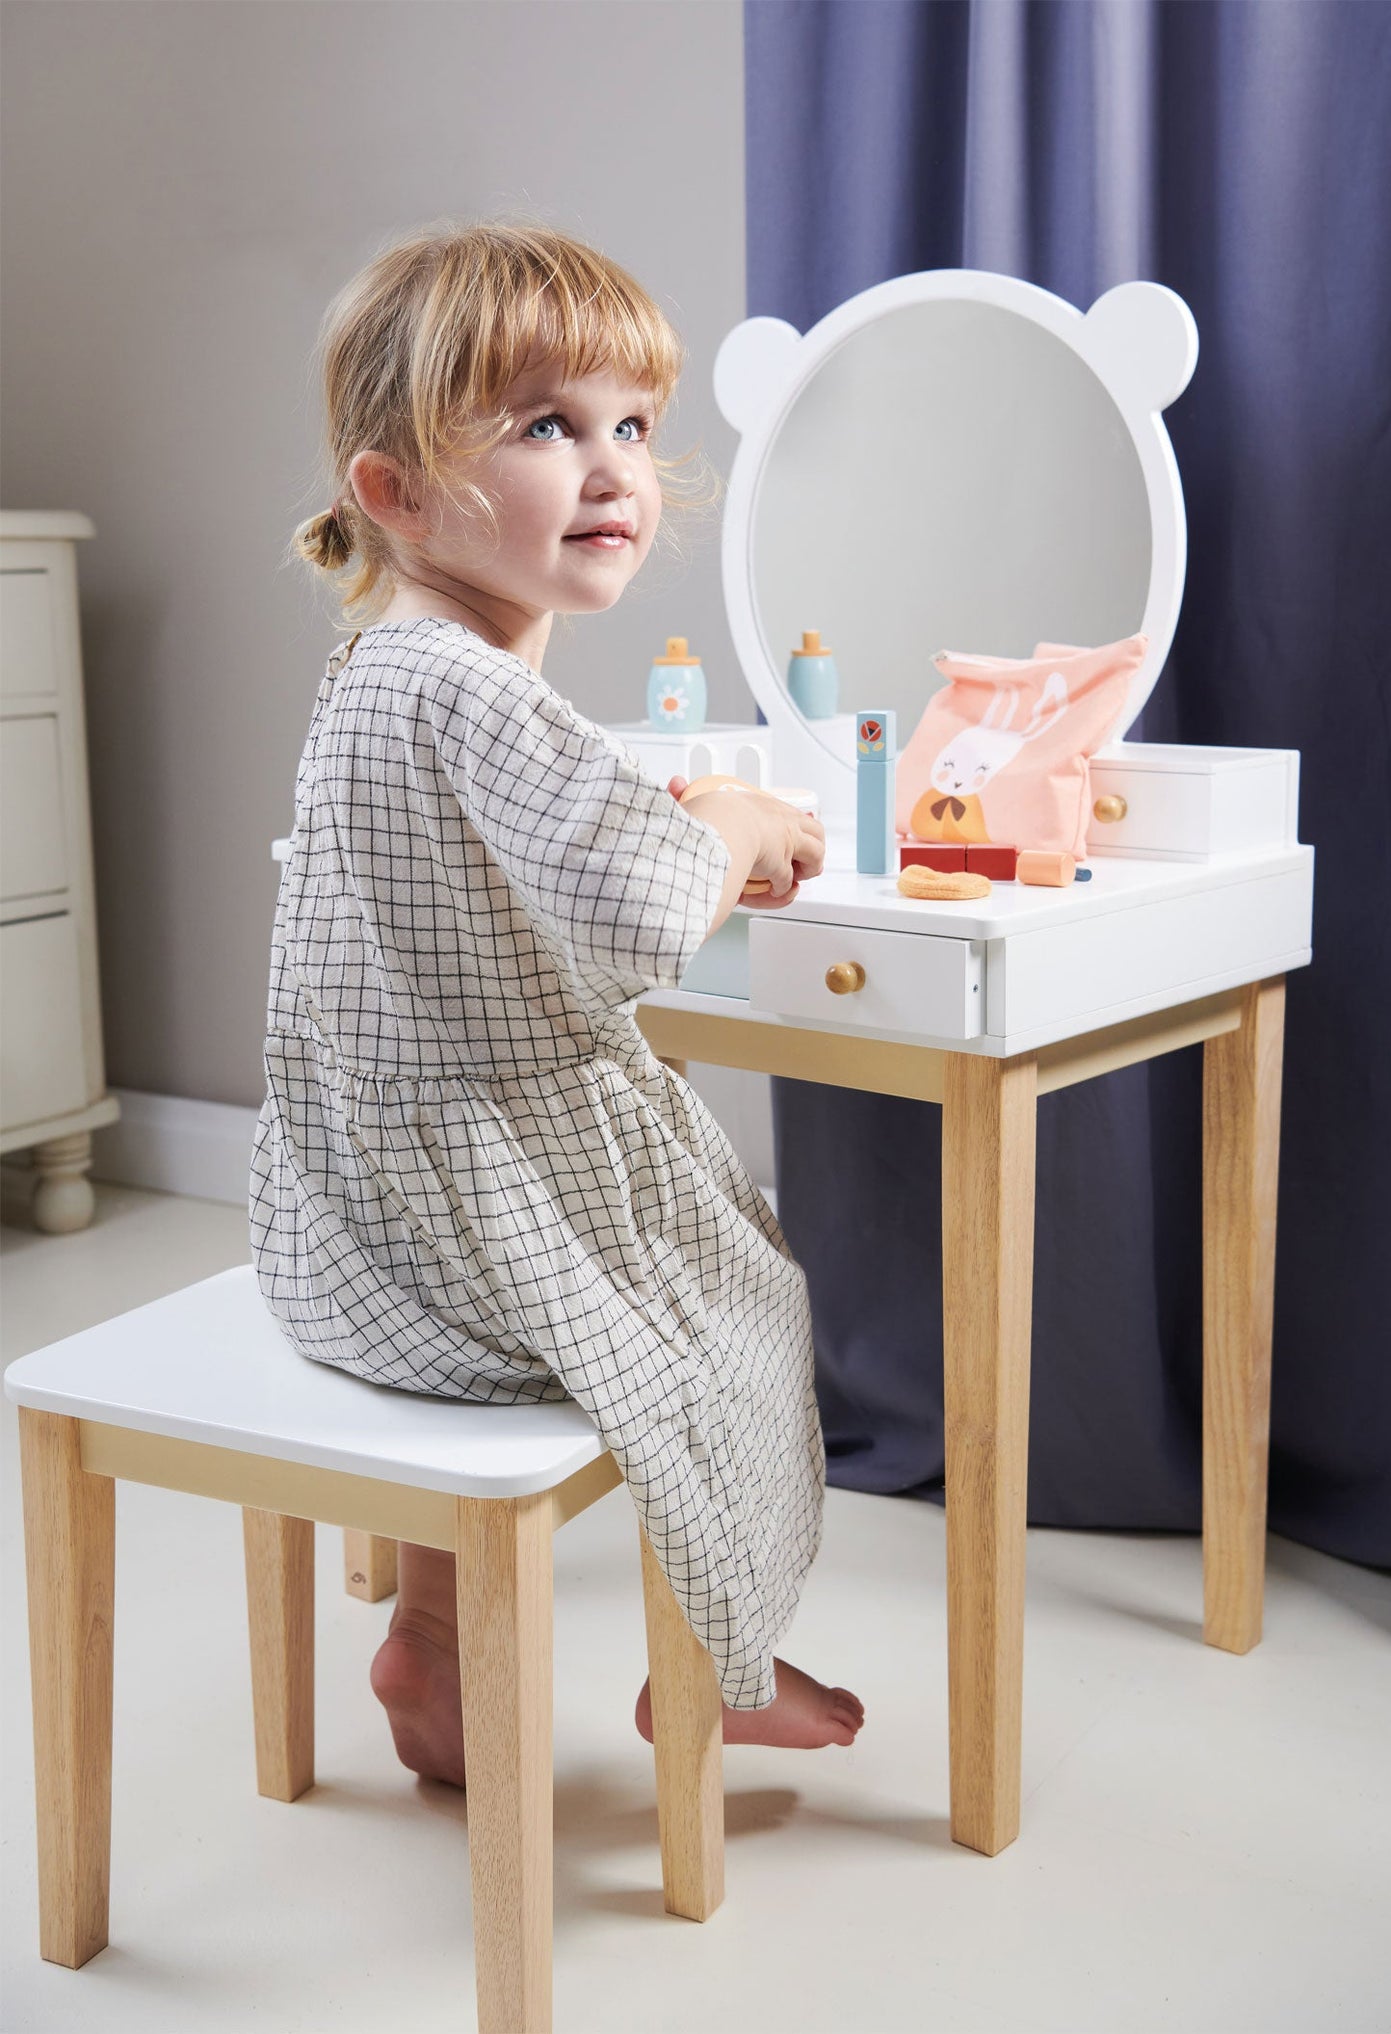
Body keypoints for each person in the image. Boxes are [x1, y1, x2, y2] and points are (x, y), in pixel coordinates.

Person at [249, 221, 864, 1787]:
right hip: (460, 1239)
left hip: (337, 1222)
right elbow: (649, 912)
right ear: (389, 491)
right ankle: (715, 1665)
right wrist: (727, 827)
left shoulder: (379, 665)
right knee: (733, 1303)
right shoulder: (475, 683)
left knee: (661, 1286)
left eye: (632, 428)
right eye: (543, 426)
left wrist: (662, 812)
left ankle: (435, 1639)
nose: (608, 470)